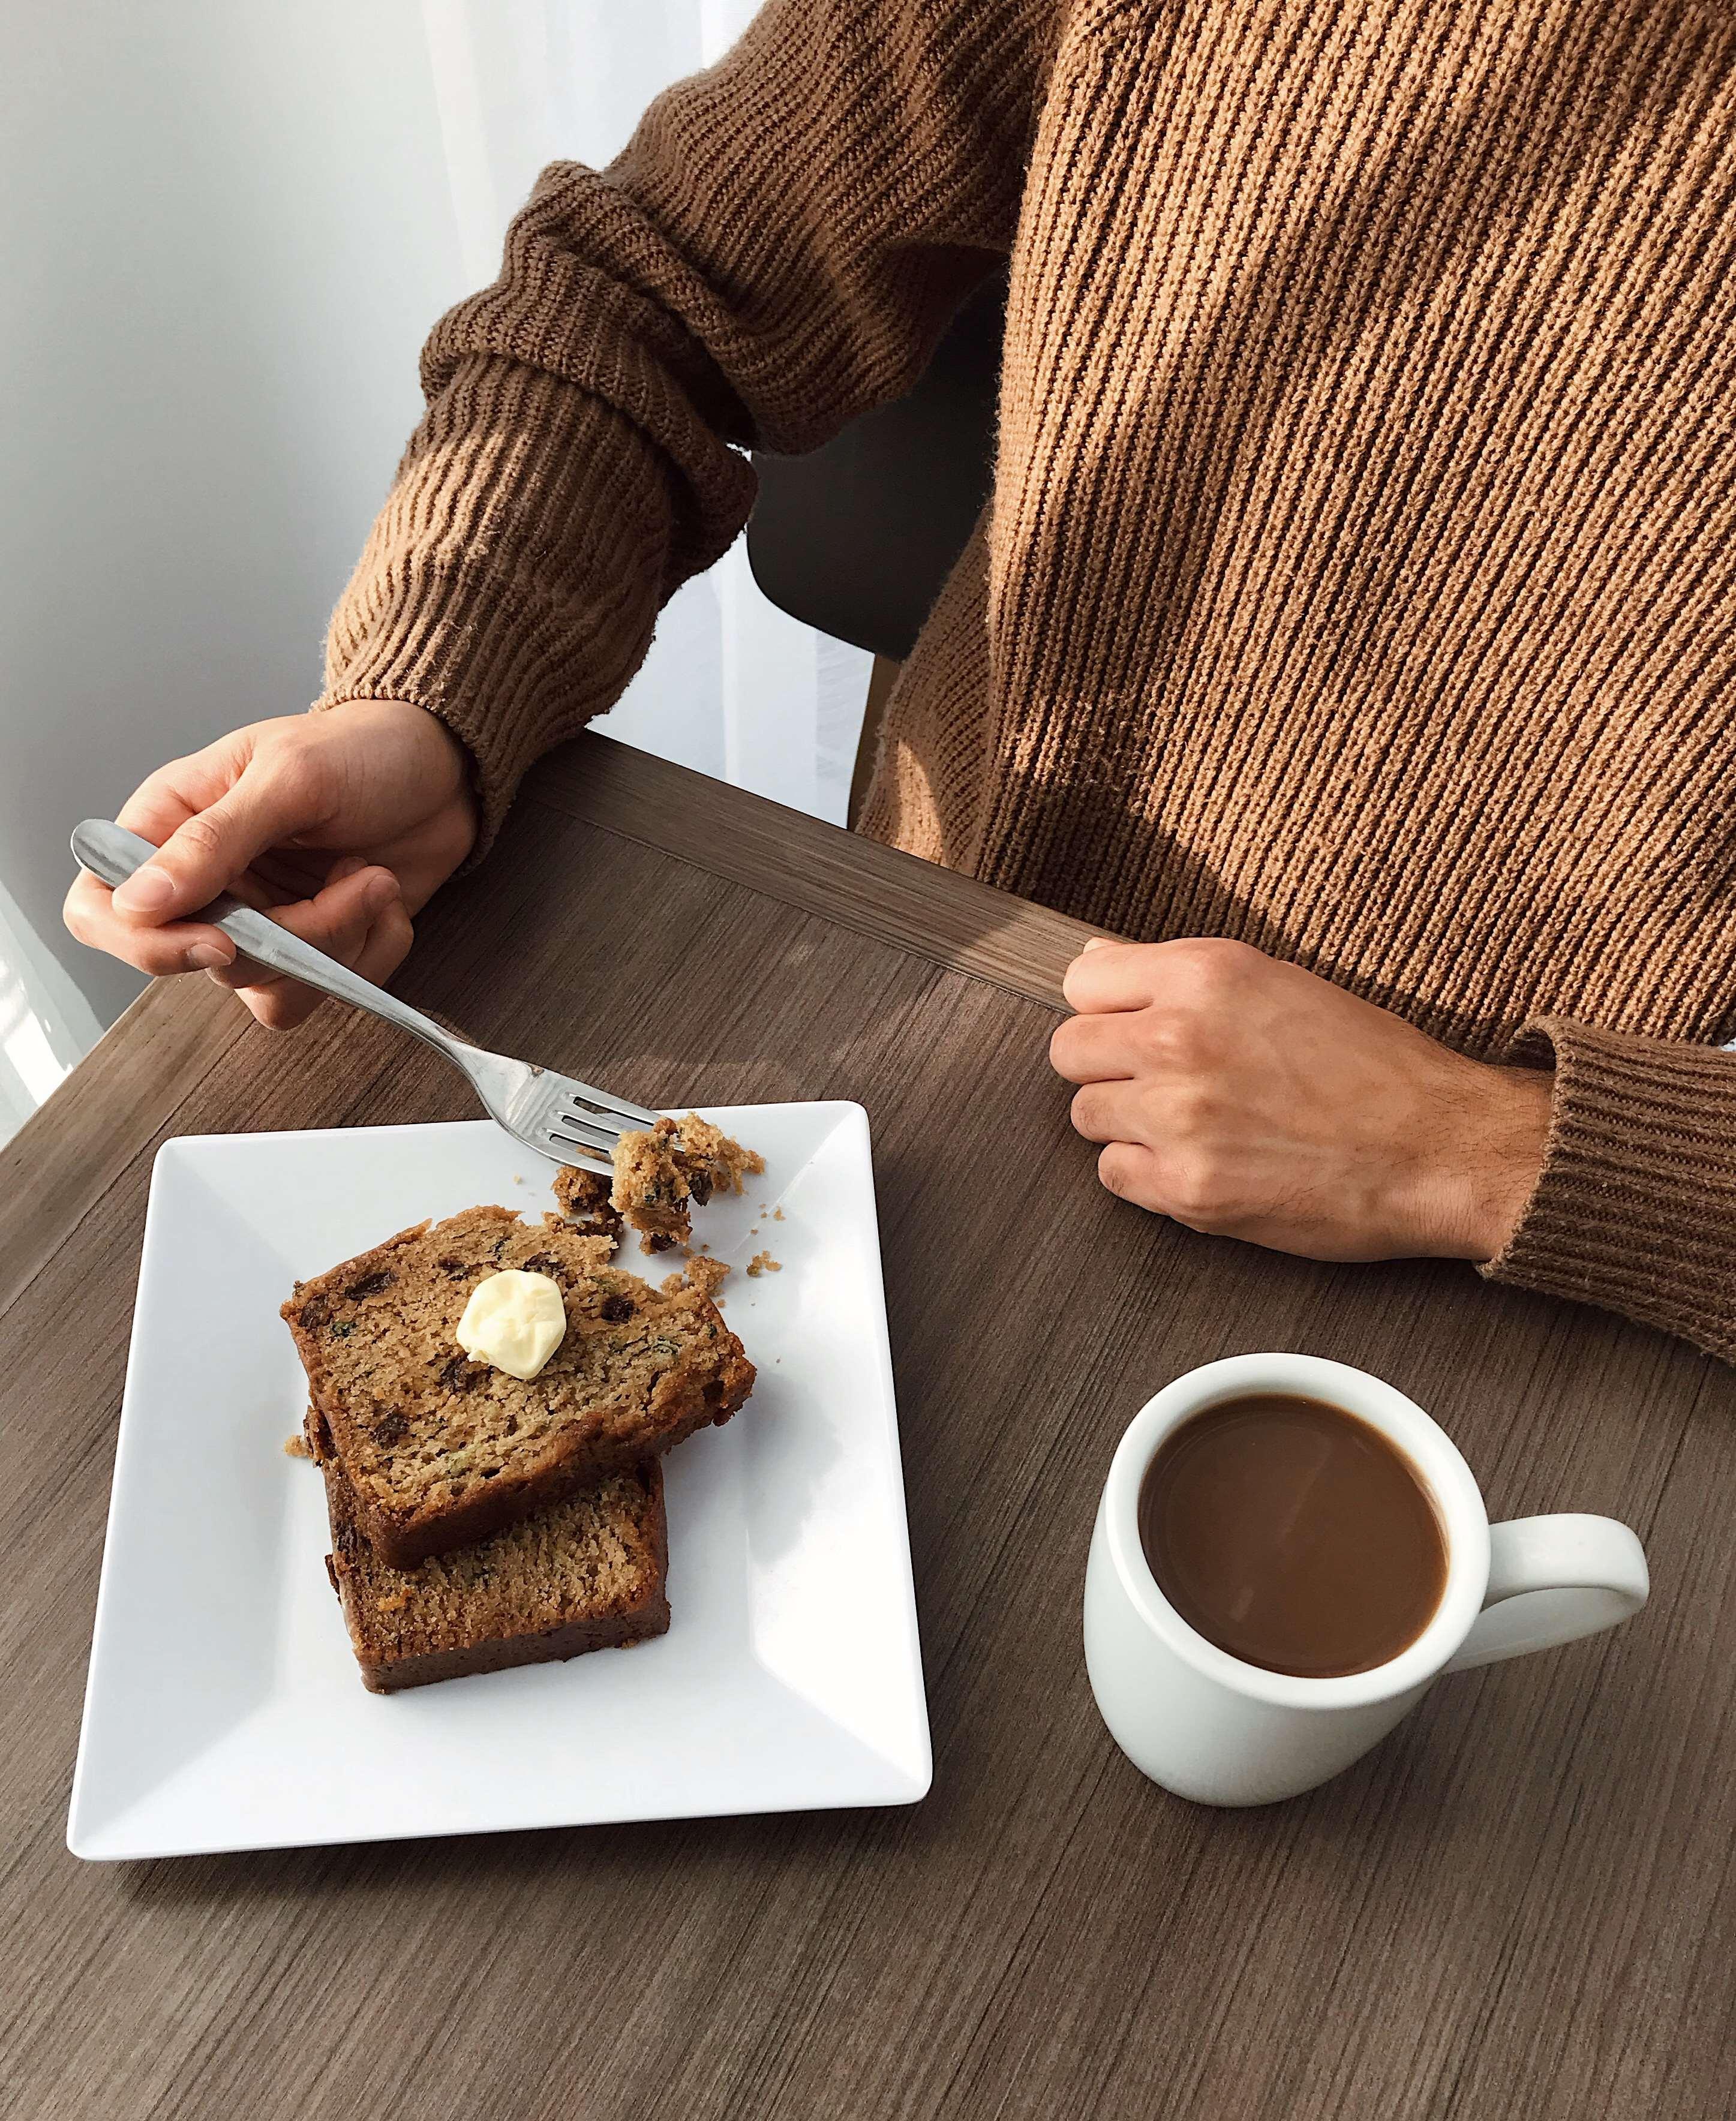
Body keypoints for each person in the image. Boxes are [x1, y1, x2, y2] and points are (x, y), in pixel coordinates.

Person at [64, 0, 1736, 1363]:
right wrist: (428, 698)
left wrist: (1484, 1147)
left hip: (1508, 1300)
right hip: (928, 1001)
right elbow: (643, 285)